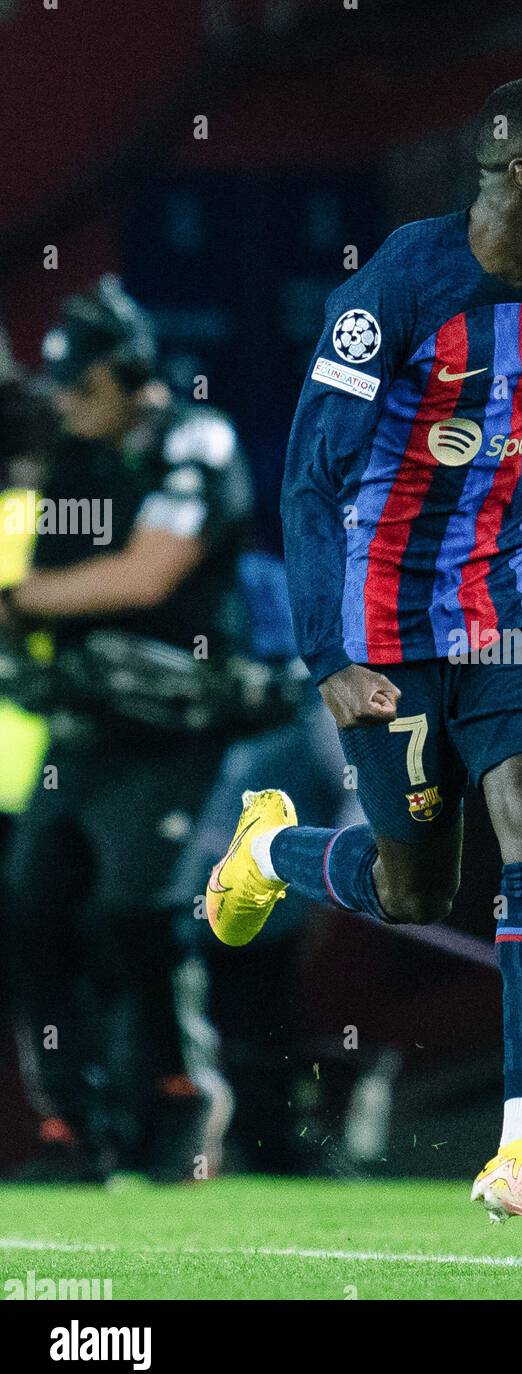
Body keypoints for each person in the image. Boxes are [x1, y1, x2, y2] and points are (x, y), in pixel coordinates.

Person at [204, 77, 522, 1233]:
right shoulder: (394, 289)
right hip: (388, 622)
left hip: (520, 610)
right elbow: (306, 475)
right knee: (413, 886)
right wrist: (326, 651)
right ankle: (272, 849)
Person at [0, 277, 254, 1180]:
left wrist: (20, 599)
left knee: (131, 914)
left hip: (176, 727)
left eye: (82, 388)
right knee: (29, 908)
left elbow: (150, 574)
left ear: (127, 373)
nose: (67, 405)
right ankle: (74, 1123)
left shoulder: (197, 437)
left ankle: (182, 1094)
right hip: (86, 726)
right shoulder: (64, 457)